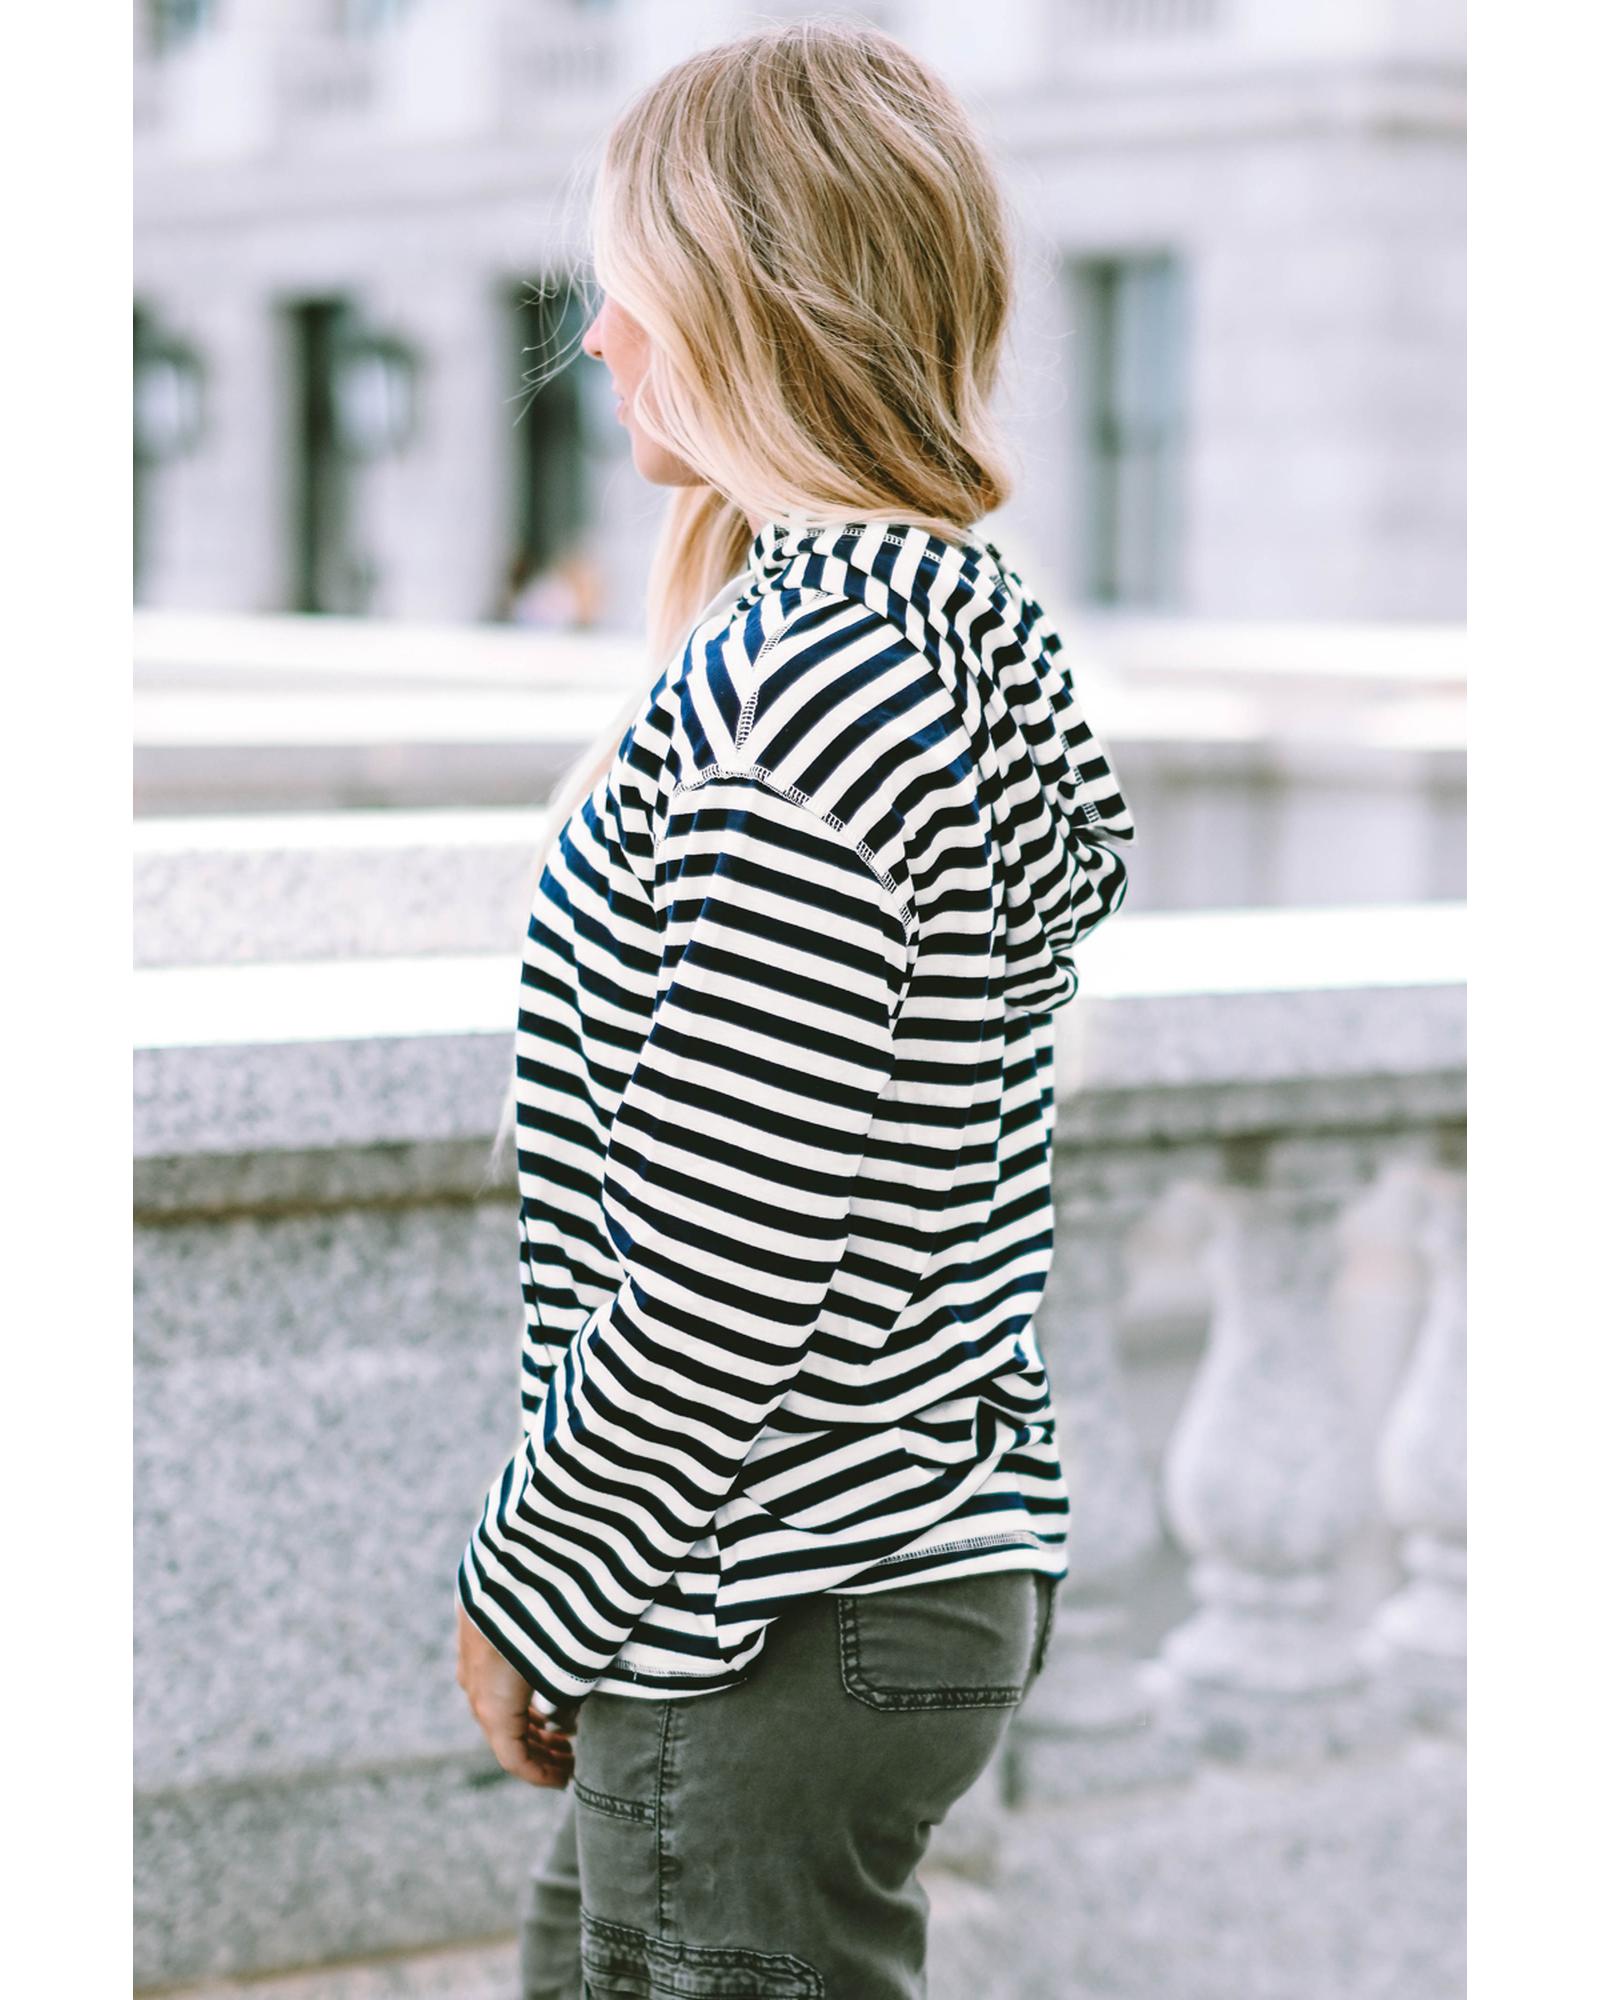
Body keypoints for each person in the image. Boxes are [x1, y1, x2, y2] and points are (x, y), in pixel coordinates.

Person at [454, 20, 1138, 1998]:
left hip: (769, 1597)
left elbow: (727, 1265)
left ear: (746, 305)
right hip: (874, 1563)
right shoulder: (955, 631)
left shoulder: (799, 693)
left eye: (629, 288)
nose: (597, 340)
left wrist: (522, 1588)